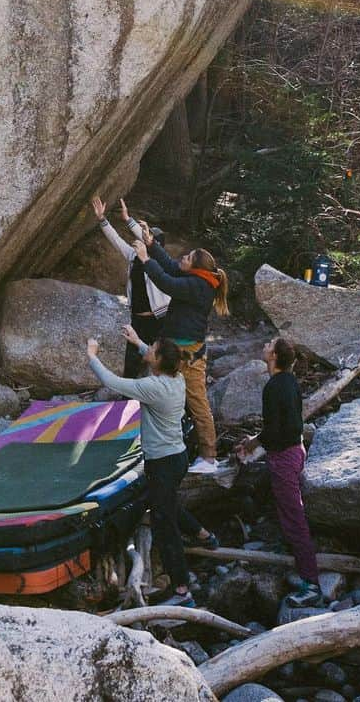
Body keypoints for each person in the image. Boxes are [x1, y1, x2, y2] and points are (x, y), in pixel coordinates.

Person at [87, 328, 218, 606]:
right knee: (165, 502)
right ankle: (203, 534)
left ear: (157, 361)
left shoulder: (153, 388)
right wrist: (137, 341)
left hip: (163, 464)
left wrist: (92, 356)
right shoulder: (176, 377)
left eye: (151, 349)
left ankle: (183, 591)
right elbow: (159, 356)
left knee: (164, 525)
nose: (148, 351)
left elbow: (112, 382)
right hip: (176, 457)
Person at [237, 337, 322, 607]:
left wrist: (254, 444)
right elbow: (288, 423)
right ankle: (298, 565)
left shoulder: (274, 386)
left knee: (294, 518)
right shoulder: (289, 381)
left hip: (285, 457)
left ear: (273, 355)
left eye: (268, 344)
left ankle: (311, 584)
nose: (264, 345)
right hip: (295, 450)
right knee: (288, 514)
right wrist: (256, 440)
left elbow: (276, 430)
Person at [134, 239, 230, 474]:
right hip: (173, 351)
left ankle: (209, 458)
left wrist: (146, 259)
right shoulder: (196, 278)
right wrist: (152, 243)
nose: (182, 258)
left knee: (197, 405)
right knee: (158, 400)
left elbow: (166, 282)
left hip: (188, 357)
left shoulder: (199, 286)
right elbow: (169, 265)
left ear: (196, 267)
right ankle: (160, 448)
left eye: (188, 257)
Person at [91, 196, 170, 377]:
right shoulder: (134, 257)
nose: (144, 237)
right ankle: (127, 400)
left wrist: (129, 220)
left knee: (161, 363)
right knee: (132, 364)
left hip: (159, 320)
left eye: (148, 236)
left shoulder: (161, 263)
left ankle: (163, 399)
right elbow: (116, 240)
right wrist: (102, 219)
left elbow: (147, 240)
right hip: (138, 319)